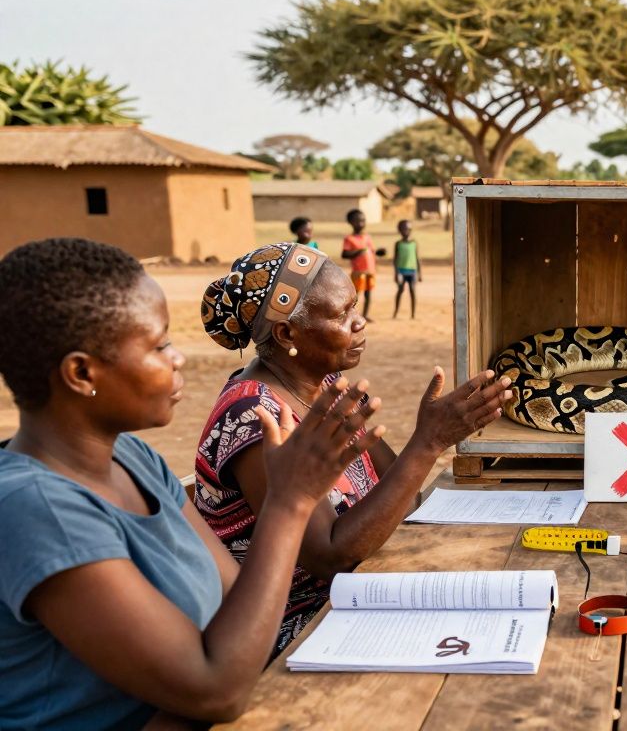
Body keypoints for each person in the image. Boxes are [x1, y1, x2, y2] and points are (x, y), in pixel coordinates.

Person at [0, 237, 381, 728]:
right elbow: (214, 692)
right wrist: (289, 502)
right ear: (80, 373)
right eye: (158, 345)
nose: (178, 358)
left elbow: (245, 607)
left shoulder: (134, 459)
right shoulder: (36, 508)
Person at [196, 242, 510, 652]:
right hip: (299, 627)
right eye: (342, 315)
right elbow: (331, 558)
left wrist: (432, 438)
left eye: (356, 308)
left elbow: (404, 497)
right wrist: (429, 441)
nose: (360, 323)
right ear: (287, 333)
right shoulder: (256, 418)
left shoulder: (325, 388)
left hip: (360, 594)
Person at [341, 209, 377, 321]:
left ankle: (365, 315)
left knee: (368, 294)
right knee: (356, 295)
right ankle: (350, 314)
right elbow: (345, 254)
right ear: (351, 223)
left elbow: (372, 251)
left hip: (370, 271)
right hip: (358, 271)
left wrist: (379, 252)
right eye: (357, 221)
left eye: (363, 221)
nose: (361, 223)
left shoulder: (367, 237)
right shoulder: (349, 238)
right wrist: (357, 252)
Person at [393, 219, 422, 319]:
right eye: (403, 229)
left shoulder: (414, 243)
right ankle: (395, 312)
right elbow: (395, 260)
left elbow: (417, 258)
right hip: (401, 271)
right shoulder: (398, 244)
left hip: (412, 272)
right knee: (400, 290)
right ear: (399, 230)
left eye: (408, 229)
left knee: (412, 291)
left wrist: (420, 273)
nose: (406, 231)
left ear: (411, 230)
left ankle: (413, 314)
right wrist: (396, 273)